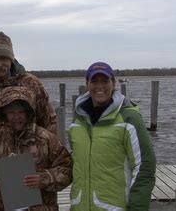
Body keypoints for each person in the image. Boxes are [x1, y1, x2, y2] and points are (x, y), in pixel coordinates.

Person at [0, 86, 72, 211]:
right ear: (3, 114)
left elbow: (66, 168)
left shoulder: (45, 138)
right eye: (11, 112)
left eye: (21, 112)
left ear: (29, 113)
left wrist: (44, 179)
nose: (17, 117)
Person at [67, 62, 156, 211]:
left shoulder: (130, 119)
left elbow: (145, 168)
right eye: (94, 81)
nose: (99, 86)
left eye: (105, 81)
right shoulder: (77, 124)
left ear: (113, 83)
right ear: (87, 84)